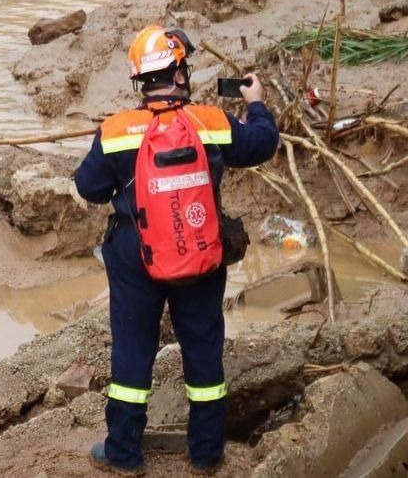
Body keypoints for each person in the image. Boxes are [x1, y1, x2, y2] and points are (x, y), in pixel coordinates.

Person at [74, 25, 279, 474]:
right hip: (199, 249)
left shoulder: (116, 130)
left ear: (140, 81)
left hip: (135, 254)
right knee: (203, 346)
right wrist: (256, 103)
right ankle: (206, 452)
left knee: (133, 348)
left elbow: (89, 187)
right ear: (180, 74)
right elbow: (264, 144)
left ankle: (123, 453)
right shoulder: (211, 122)